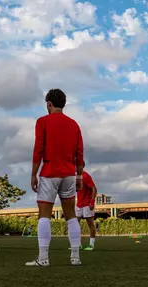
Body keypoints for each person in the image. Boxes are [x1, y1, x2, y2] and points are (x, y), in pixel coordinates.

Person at [27, 89, 84, 267]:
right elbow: (79, 151)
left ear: (49, 104)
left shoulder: (42, 121)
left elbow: (39, 148)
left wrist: (33, 173)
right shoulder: (74, 124)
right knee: (71, 216)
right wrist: (80, 174)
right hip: (69, 173)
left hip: (50, 171)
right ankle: (75, 257)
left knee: (44, 215)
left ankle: (43, 258)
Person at [75, 162, 97, 251]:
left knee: (90, 224)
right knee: (75, 224)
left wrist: (92, 202)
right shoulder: (75, 177)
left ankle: (91, 244)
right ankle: (78, 244)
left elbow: (94, 189)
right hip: (79, 204)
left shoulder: (86, 176)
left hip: (87, 204)